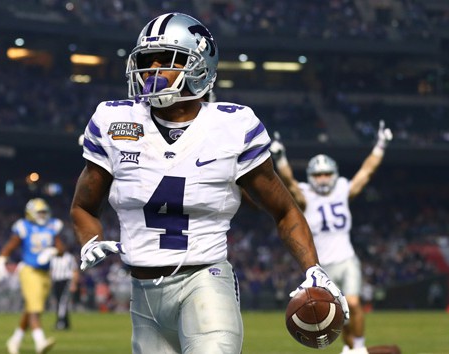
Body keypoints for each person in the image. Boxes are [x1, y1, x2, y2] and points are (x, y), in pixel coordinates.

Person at [70, 12, 349, 354]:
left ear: (200, 67)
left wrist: (313, 268)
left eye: (167, 61)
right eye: (146, 60)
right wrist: (89, 239)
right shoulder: (113, 121)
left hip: (204, 281)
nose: (152, 70)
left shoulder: (233, 126)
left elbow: (283, 209)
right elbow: (83, 206)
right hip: (142, 296)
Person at [269, 121, 393, 354]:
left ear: (334, 174)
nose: (323, 178)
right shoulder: (305, 195)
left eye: (327, 173)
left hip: (346, 258)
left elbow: (367, 172)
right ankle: (349, 348)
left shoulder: (343, 189)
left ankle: (358, 348)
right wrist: (281, 158)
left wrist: (381, 145)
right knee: (340, 313)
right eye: (318, 174)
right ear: (311, 176)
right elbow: (289, 183)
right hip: (322, 266)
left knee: (354, 304)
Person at [0, 198, 65, 354]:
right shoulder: (24, 227)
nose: (42, 215)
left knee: (32, 308)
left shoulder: (52, 225)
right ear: (31, 213)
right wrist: (1, 259)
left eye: (44, 212)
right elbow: (11, 244)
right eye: (39, 212)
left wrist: (51, 251)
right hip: (29, 271)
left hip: (46, 273)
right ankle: (40, 342)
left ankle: (14, 341)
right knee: (34, 308)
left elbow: (61, 249)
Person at [49, 250, 79, 330]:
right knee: (58, 303)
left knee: (63, 302)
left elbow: (75, 270)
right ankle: (66, 323)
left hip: (66, 281)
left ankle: (60, 322)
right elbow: (50, 271)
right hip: (56, 281)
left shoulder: (69, 257)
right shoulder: (53, 258)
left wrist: (74, 283)